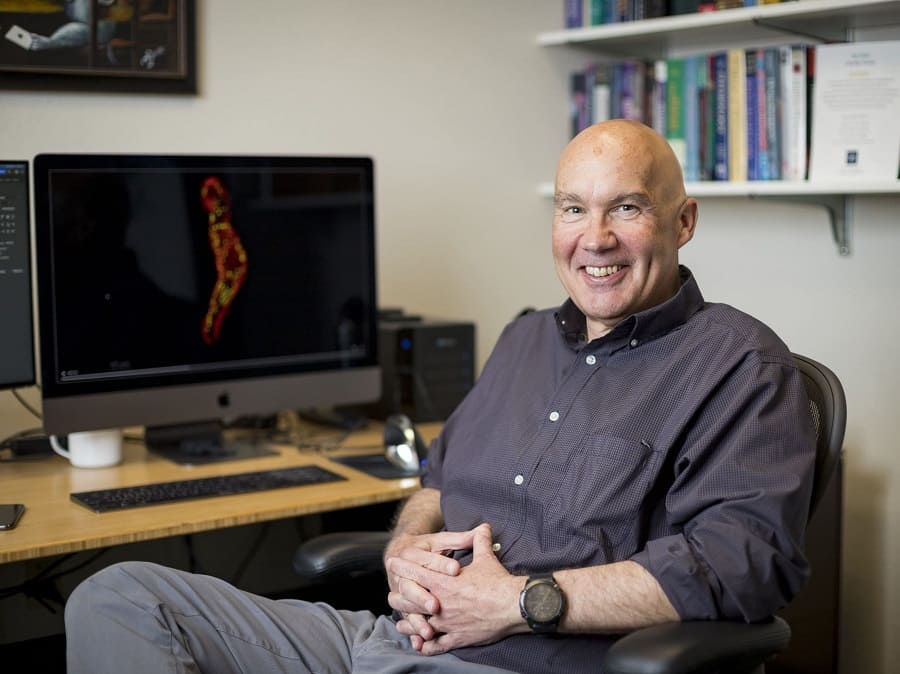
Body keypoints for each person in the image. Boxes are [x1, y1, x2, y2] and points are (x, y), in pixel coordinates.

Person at [64, 119, 816, 674]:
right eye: (572, 208)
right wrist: (403, 549)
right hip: (386, 641)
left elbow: (743, 565)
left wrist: (519, 602)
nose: (595, 238)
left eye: (626, 207)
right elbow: (438, 477)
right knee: (119, 596)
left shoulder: (742, 367)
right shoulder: (526, 341)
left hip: (516, 665)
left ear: (682, 221)